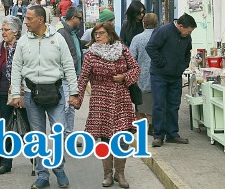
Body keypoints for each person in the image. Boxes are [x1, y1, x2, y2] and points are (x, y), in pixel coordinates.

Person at [11, 5, 78, 189]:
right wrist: (16, 93)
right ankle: (42, 175)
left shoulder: (57, 40)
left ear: (40, 20)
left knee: (58, 133)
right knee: (38, 136)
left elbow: (69, 67)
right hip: (32, 96)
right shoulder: (23, 41)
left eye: (29, 18)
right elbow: (16, 68)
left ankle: (59, 169)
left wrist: (74, 92)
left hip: (55, 94)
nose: (26, 22)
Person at [75, 22, 140, 188]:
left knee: (122, 138)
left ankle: (120, 173)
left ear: (110, 35)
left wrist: (124, 77)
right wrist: (77, 98)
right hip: (100, 101)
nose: (97, 36)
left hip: (121, 100)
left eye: (101, 33)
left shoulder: (122, 50)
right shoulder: (91, 55)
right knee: (104, 139)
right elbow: (83, 78)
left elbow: (136, 70)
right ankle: (107, 174)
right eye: (95, 34)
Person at [0, 15, 28, 175]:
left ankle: (36, 161)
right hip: (2, 94)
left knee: (28, 128)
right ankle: (5, 162)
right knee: (4, 128)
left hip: (23, 94)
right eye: (2, 29)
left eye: (6, 30)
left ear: (16, 32)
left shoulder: (25, 46)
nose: (3, 32)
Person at [146, 13, 197, 147]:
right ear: (180, 26)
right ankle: (158, 136)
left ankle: (172, 134)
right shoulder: (164, 31)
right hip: (159, 75)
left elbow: (188, 52)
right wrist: (161, 63)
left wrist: (183, 65)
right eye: (188, 30)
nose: (189, 33)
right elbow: (150, 47)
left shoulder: (186, 36)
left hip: (175, 76)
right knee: (159, 105)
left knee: (174, 105)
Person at [56, 6, 84, 138]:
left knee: (71, 107)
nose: (81, 21)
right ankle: (61, 135)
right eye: (79, 18)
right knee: (66, 107)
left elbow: (75, 48)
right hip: (66, 76)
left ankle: (68, 135)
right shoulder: (62, 32)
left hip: (74, 75)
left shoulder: (72, 32)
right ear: (73, 18)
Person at [129, 13, 158, 133]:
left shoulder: (137, 38)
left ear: (143, 24)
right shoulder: (159, 37)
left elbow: (131, 57)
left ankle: (141, 124)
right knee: (154, 100)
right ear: (157, 24)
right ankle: (152, 124)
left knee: (141, 102)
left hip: (141, 75)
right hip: (157, 74)